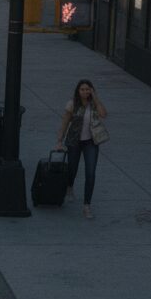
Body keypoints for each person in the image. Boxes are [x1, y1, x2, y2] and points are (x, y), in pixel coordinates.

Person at [55, 80, 107, 220]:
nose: (85, 92)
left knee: (90, 173)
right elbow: (65, 122)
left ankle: (87, 206)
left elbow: (103, 114)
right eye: (82, 89)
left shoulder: (94, 104)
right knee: (72, 168)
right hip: (74, 142)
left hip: (91, 142)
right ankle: (69, 186)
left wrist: (95, 98)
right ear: (78, 91)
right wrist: (59, 141)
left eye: (88, 89)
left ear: (91, 90)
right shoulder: (72, 104)